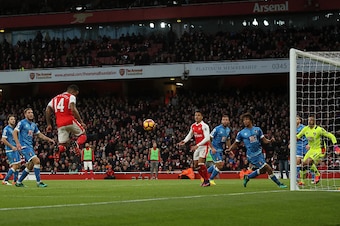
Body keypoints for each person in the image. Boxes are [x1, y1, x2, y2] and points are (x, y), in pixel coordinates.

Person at [228, 112, 287, 188]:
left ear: (250, 120)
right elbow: (236, 143)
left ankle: (248, 177)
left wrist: (269, 141)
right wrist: (229, 149)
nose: (245, 121)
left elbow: (264, 140)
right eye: (244, 120)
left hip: (260, 153)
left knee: (263, 170)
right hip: (252, 155)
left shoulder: (258, 130)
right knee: (268, 168)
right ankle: (279, 184)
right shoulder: (241, 133)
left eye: (246, 119)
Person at [13, 108, 55, 187]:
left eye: (32, 112)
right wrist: (17, 143)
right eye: (29, 113)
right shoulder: (21, 123)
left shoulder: (33, 125)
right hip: (24, 146)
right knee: (37, 161)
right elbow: (14, 132)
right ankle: (39, 182)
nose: (31, 114)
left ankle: (19, 182)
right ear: (25, 114)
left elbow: (39, 135)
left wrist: (49, 139)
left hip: (30, 146)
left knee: (30, 165)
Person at [45, 84, 87, 160]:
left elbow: (47, 110)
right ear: (74, 92)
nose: (75, 96)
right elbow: (73, 109)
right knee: (83, 134)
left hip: (60, 124)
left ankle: (58, 149)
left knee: (63, 145)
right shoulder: (71, 97)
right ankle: (76, 144)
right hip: (70, 120)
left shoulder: (55, 98)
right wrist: (81, 122)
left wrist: (49, 124)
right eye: (76, 94)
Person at [296, 115, 339, 186]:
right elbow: (298, 136)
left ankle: (317, 174)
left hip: (320, 149)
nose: (309, 121)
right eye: (308, 120)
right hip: (311, 149)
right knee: (303, 164)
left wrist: (335, 146)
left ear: (314, 121)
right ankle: (302, 181)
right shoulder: (305, 129)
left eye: (311, 120)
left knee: (309, 161)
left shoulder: (319, 129)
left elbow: (331, 136)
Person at [178, 110, 211, 187]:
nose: (197, 117)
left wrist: (197, 145)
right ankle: (205, 180)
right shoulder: (193, 126)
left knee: (200, 163)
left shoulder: (204, 126)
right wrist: (184, 141)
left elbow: (207, 138)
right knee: (196, 166)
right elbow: (190, 135)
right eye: (196, 115)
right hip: (198, 147)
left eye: (199, 115)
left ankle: (207, 181)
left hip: (204, 146)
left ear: (202, 117)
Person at [207, 114, 232, 185]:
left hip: (220, 150)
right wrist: (212, 148)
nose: (225, 121)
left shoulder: (228, 130)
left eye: (226, 120)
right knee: (220, 165)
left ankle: (205, 174)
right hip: (214, 149)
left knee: (217, 165)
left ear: (228, 121)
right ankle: (210, 179)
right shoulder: (217, 129)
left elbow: (228, 140)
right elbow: (209, 139)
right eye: (223, 120)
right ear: (221, 121)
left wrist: (229, 149)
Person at [1, 115, 20, 185]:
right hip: (10, 150)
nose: (13, 120)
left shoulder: (14, 129)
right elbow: (3, 139)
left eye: (14, 119)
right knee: (15, 165)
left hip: (15, 149)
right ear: (8, 121)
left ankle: (15, 181)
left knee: (18, 165)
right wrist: (11, 146)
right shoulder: (6, 129)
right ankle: (5, 180)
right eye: (11, 119)